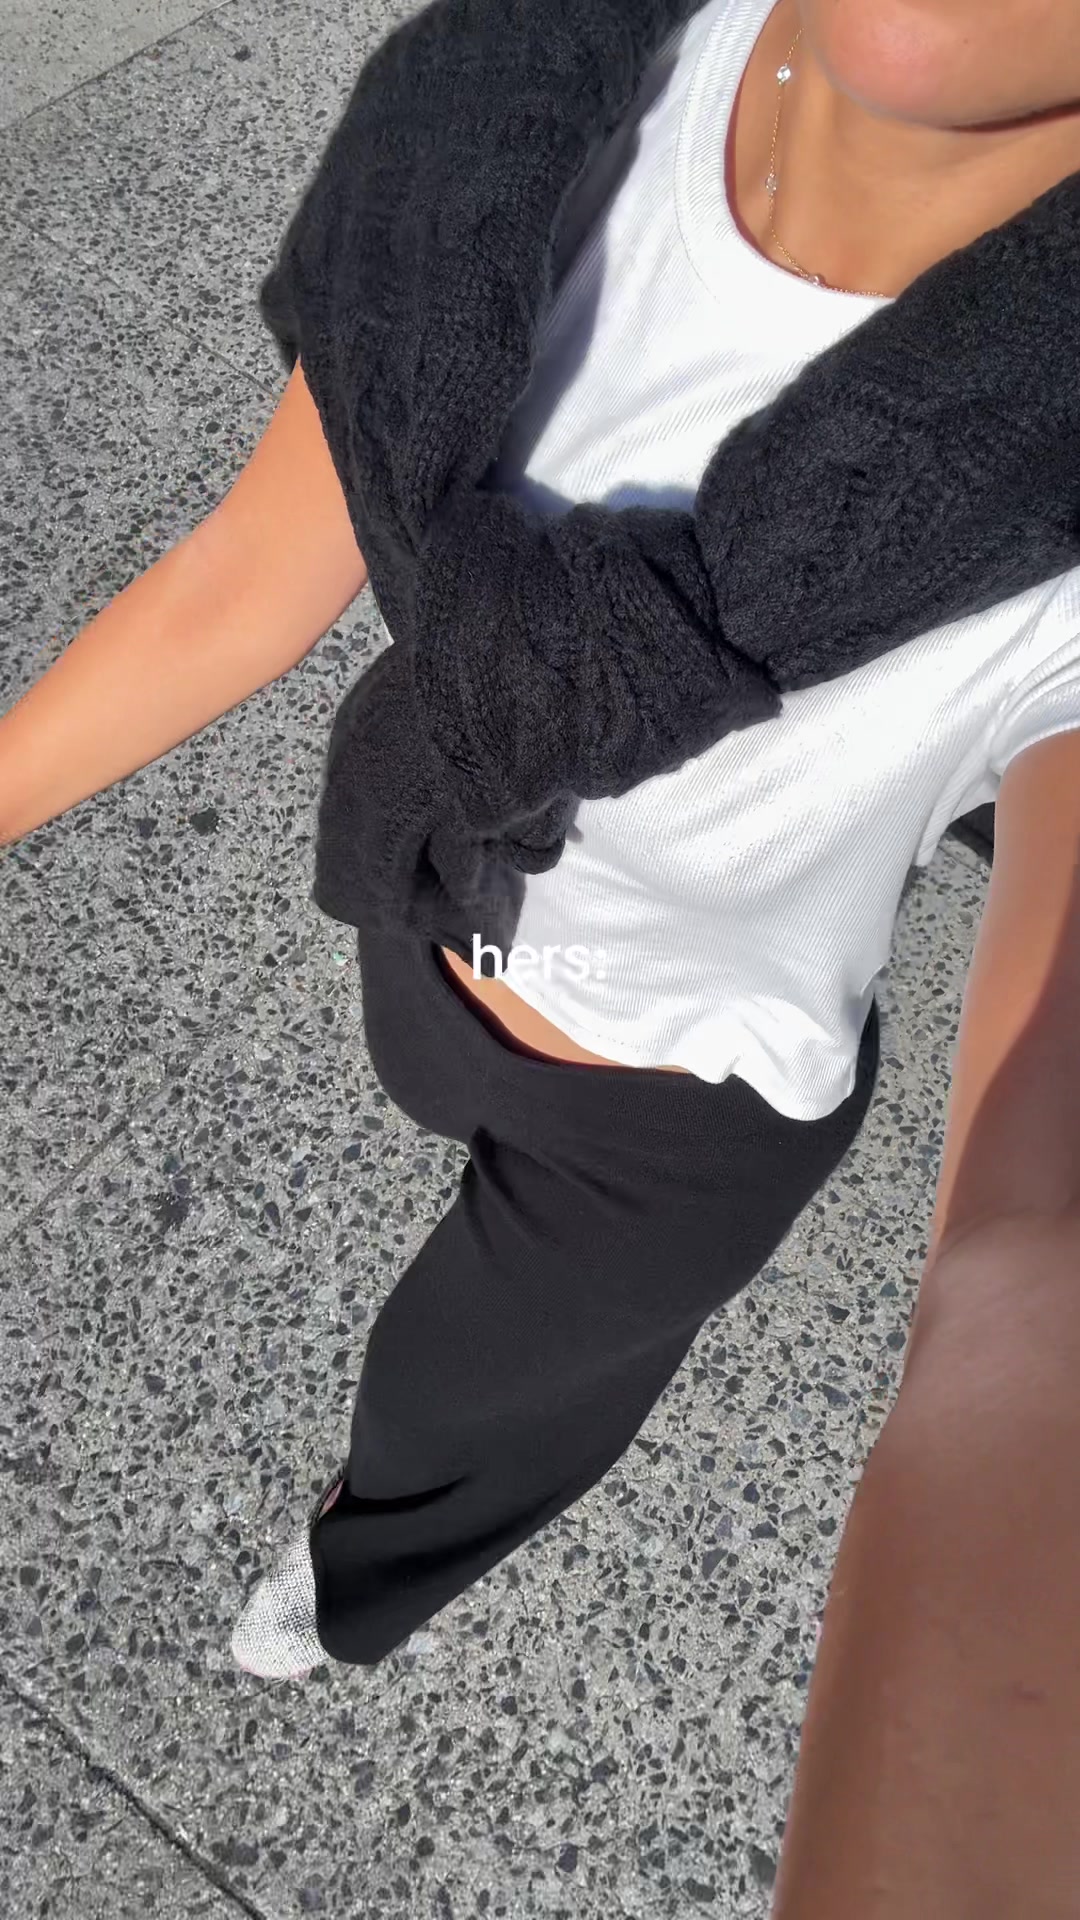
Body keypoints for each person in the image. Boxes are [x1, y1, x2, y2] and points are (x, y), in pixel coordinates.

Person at [3, 0, 1080, 1907]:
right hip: (427, 901)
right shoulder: (522, 83)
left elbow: (1030, 1256)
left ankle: (359, 1576)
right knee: (422, 1104)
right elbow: (242, 579)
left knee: (457, 1406)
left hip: (669, 1137)